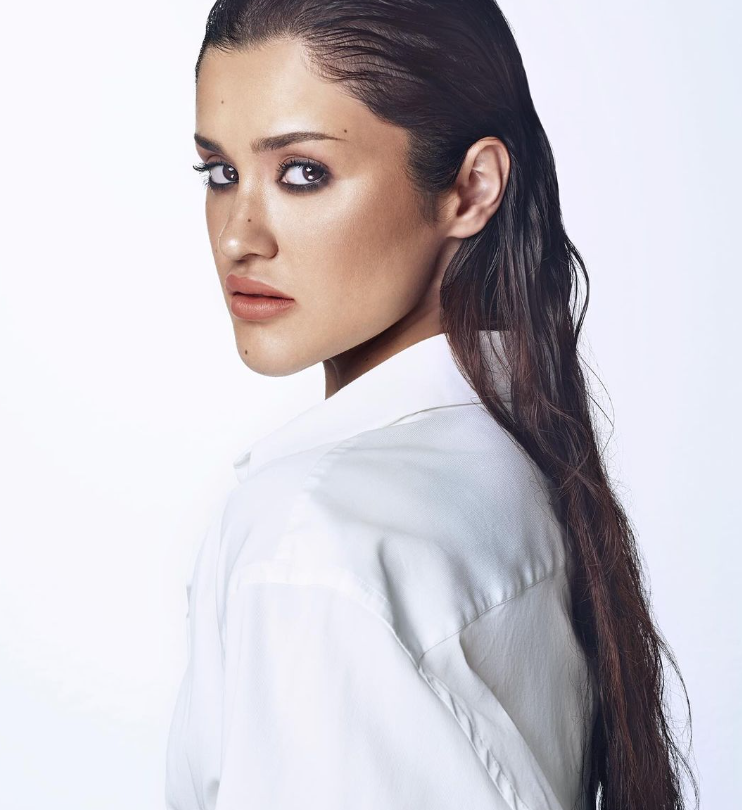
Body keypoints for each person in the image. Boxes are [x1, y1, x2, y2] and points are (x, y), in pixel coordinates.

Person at [165, 1, 698, 808]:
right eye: (220, 173)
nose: (239, 236)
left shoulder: (312, 543)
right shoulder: (515, 464)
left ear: (471, 189)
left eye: (303, 173)